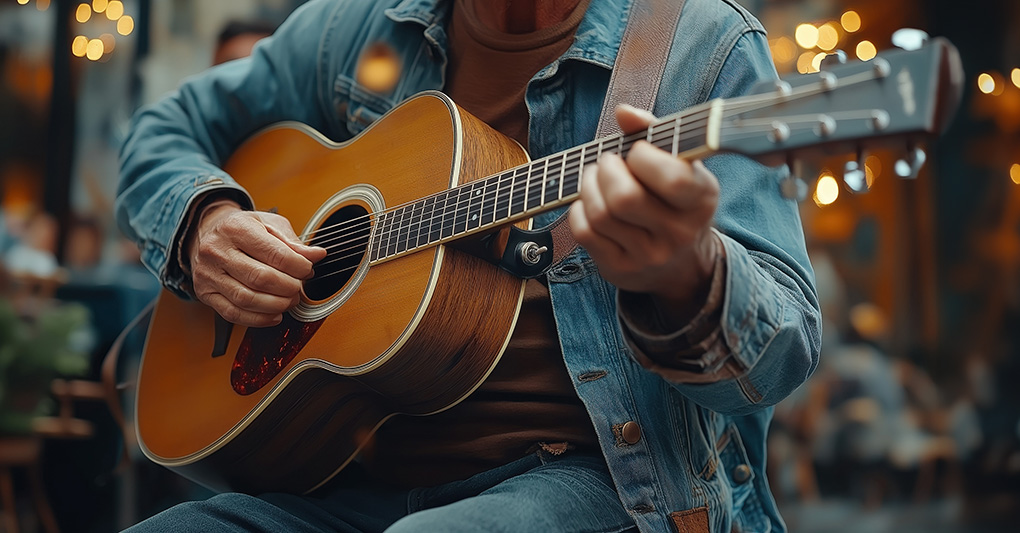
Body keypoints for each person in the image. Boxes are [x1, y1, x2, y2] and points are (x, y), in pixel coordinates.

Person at [116, 0, 821, 531]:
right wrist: (203, 220)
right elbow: (163, 130)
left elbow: (782, 355)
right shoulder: (356, 28)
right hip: (336, 482)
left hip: (590, 480)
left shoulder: (701, 44)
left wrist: (689, 273)